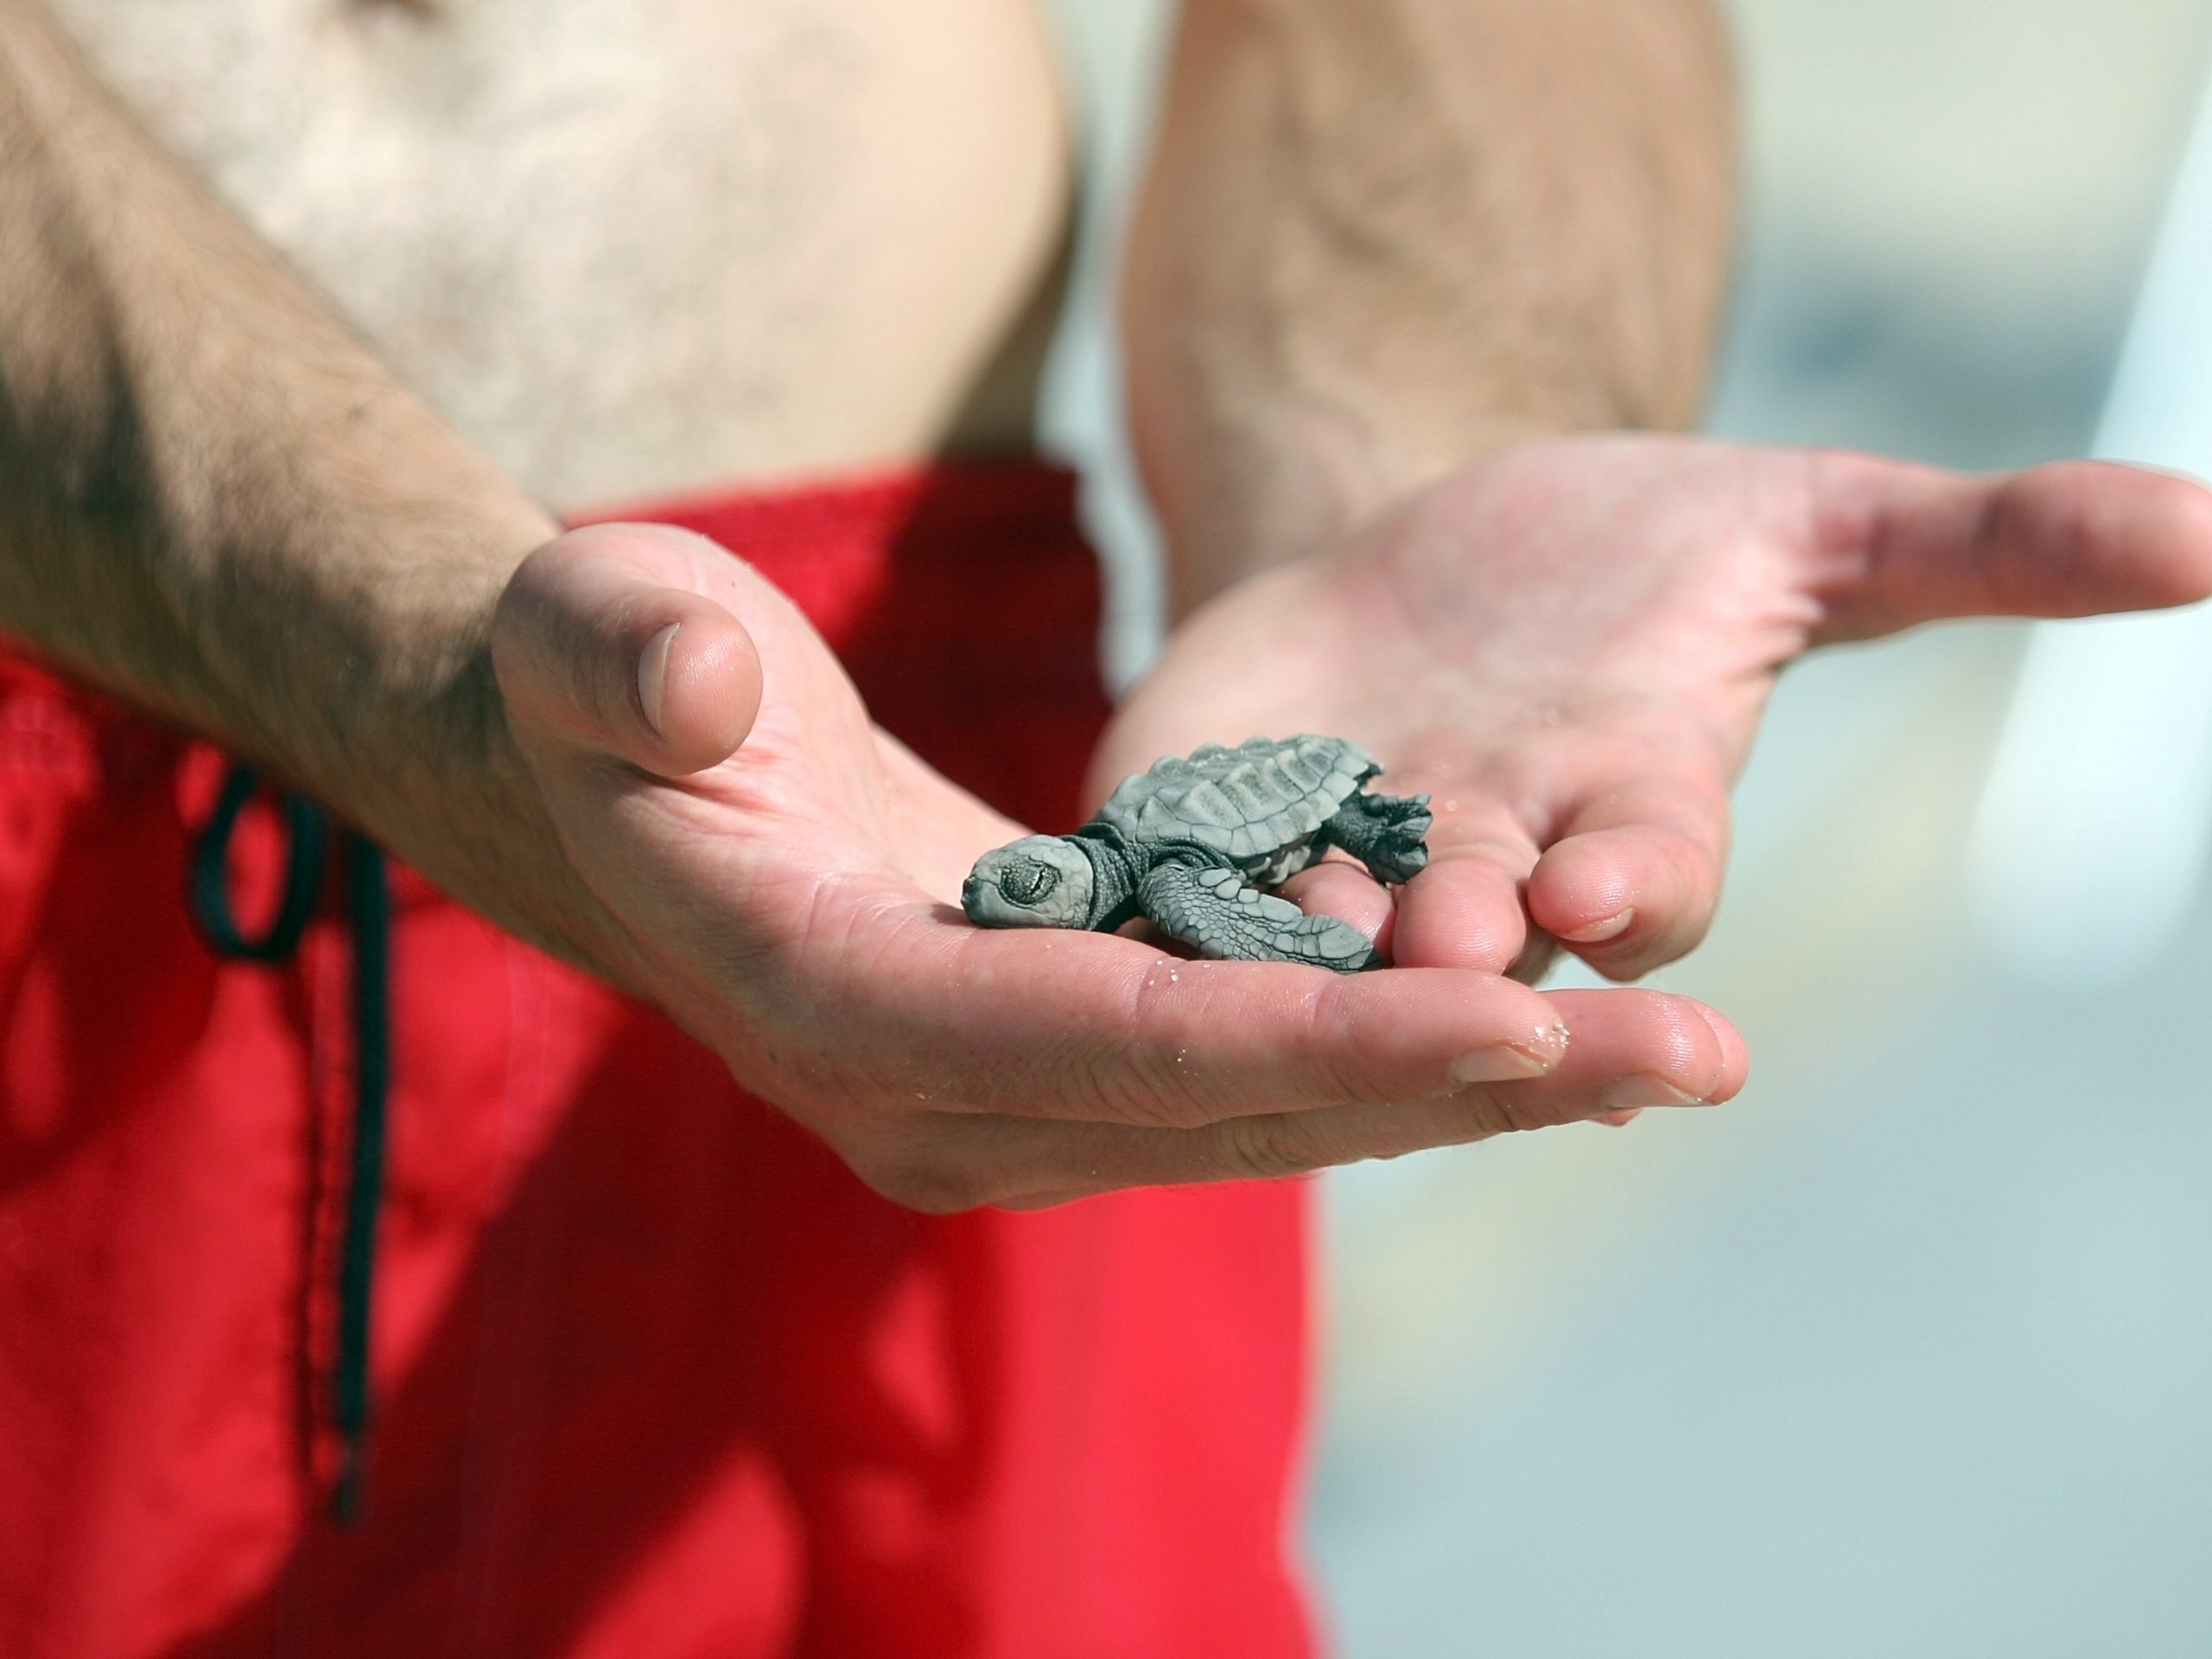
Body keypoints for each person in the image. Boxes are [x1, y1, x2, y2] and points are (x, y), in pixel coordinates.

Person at [1, 0, 2206, 1654]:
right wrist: (350, 609)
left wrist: (1415, 458)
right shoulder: (1097, 875)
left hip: (877, 726)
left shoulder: (1094, 863)